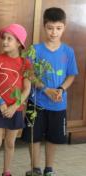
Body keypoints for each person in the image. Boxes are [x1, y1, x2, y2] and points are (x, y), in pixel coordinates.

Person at [21, 7, 78, 176]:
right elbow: (29, 73)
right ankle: (35, 167)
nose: (54, 32)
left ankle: (49, 168)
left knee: (54, 137)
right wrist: (45, 90)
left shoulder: (68, 51)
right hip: (36, 102)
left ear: (64, 27)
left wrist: (60, 89)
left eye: (58, 28)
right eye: (50, 28)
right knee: (34, 136)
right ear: (44, 26)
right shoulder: (35, 49)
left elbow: (71, 75)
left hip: (58, 103)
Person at [0, 24, 31, 176]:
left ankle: (7, 172)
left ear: (19, 43)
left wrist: (14, 107)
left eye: (9, 39)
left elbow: (27, 89)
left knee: (10, 143)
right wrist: (1, 102)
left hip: (16, 109)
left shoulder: (26, 63)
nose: (4, 42)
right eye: (4, 38)